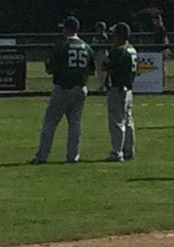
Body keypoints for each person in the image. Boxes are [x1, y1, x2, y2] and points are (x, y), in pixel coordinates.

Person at [31, 17, 95, 164]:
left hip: (63, 88)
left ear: (68, 29)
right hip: (81, 88)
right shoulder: (86, 46)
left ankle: (42, 156)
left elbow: (50, 68)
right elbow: (91, 71)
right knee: (75, 124)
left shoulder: (61, 46)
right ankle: (73, 156)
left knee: (50, 123)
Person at [103, 22, 138, 161]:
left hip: (118, 88)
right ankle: (129, 150)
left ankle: (117, 152)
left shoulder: (118, 50)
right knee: (128, 120)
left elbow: (106, 66)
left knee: (117, 121)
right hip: (129, 89)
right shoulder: (132, 49)